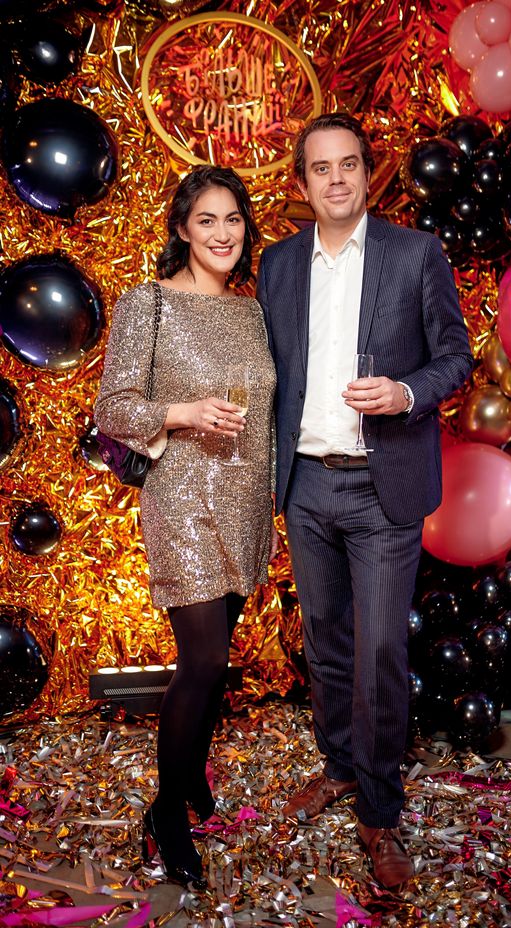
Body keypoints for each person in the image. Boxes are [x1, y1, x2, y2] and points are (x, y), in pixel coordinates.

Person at [257, 113, 473, 889]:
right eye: (321, 168)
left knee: (381, 650)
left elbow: (457, 356)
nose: (336, 179)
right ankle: (341, 766)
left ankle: (380, 813)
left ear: (367, 173)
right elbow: (267, 375)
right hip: (306, 483)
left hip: (384, 485)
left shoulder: (415, 254)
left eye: (348, 164)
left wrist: (406, 393)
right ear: (303, 182)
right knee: (326, 642)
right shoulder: (278, 264)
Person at [94, 165, 276, 888]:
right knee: (201, 660)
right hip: (183, 500)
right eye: (207, 220)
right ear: (182, 229)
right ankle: (167, 812)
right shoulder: (149, 303)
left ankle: (192, 773)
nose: (222, 233)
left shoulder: (252, 311)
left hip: (245, 501)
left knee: (217, 662)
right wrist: (181, 412)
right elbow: (113, 408)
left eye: (233, 219)